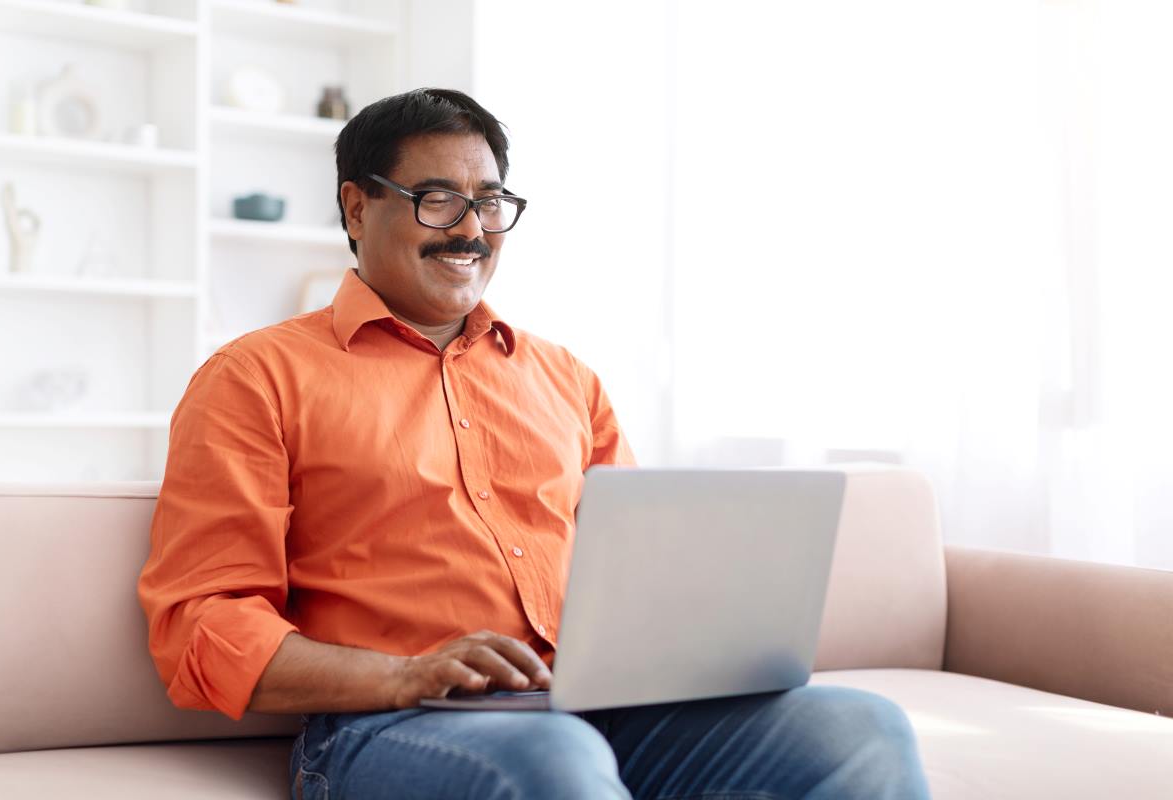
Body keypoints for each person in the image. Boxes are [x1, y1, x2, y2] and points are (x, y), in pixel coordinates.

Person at [137, 88, 930, 800]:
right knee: (550, 763)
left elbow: (641, 575)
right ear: (355, 208)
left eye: (490, 203)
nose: (472, 231)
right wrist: (405, 675)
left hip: (595, 711)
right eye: (439, 201)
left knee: (859, 730)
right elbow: (201, 623)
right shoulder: (254, 377)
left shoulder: (566, 379)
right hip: (392, 724)